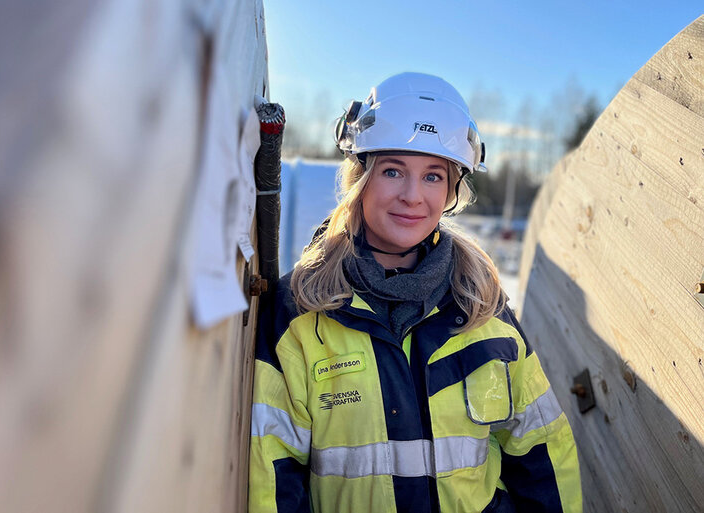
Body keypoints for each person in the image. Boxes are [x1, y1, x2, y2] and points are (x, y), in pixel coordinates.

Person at [249, 72, 582, 512]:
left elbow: (543, 453)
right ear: (359, 178)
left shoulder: (481, 305)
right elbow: (272, 475)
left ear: (451, 190)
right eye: (393, 170)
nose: (413, 196)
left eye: (432, 176)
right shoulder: (301, 311)